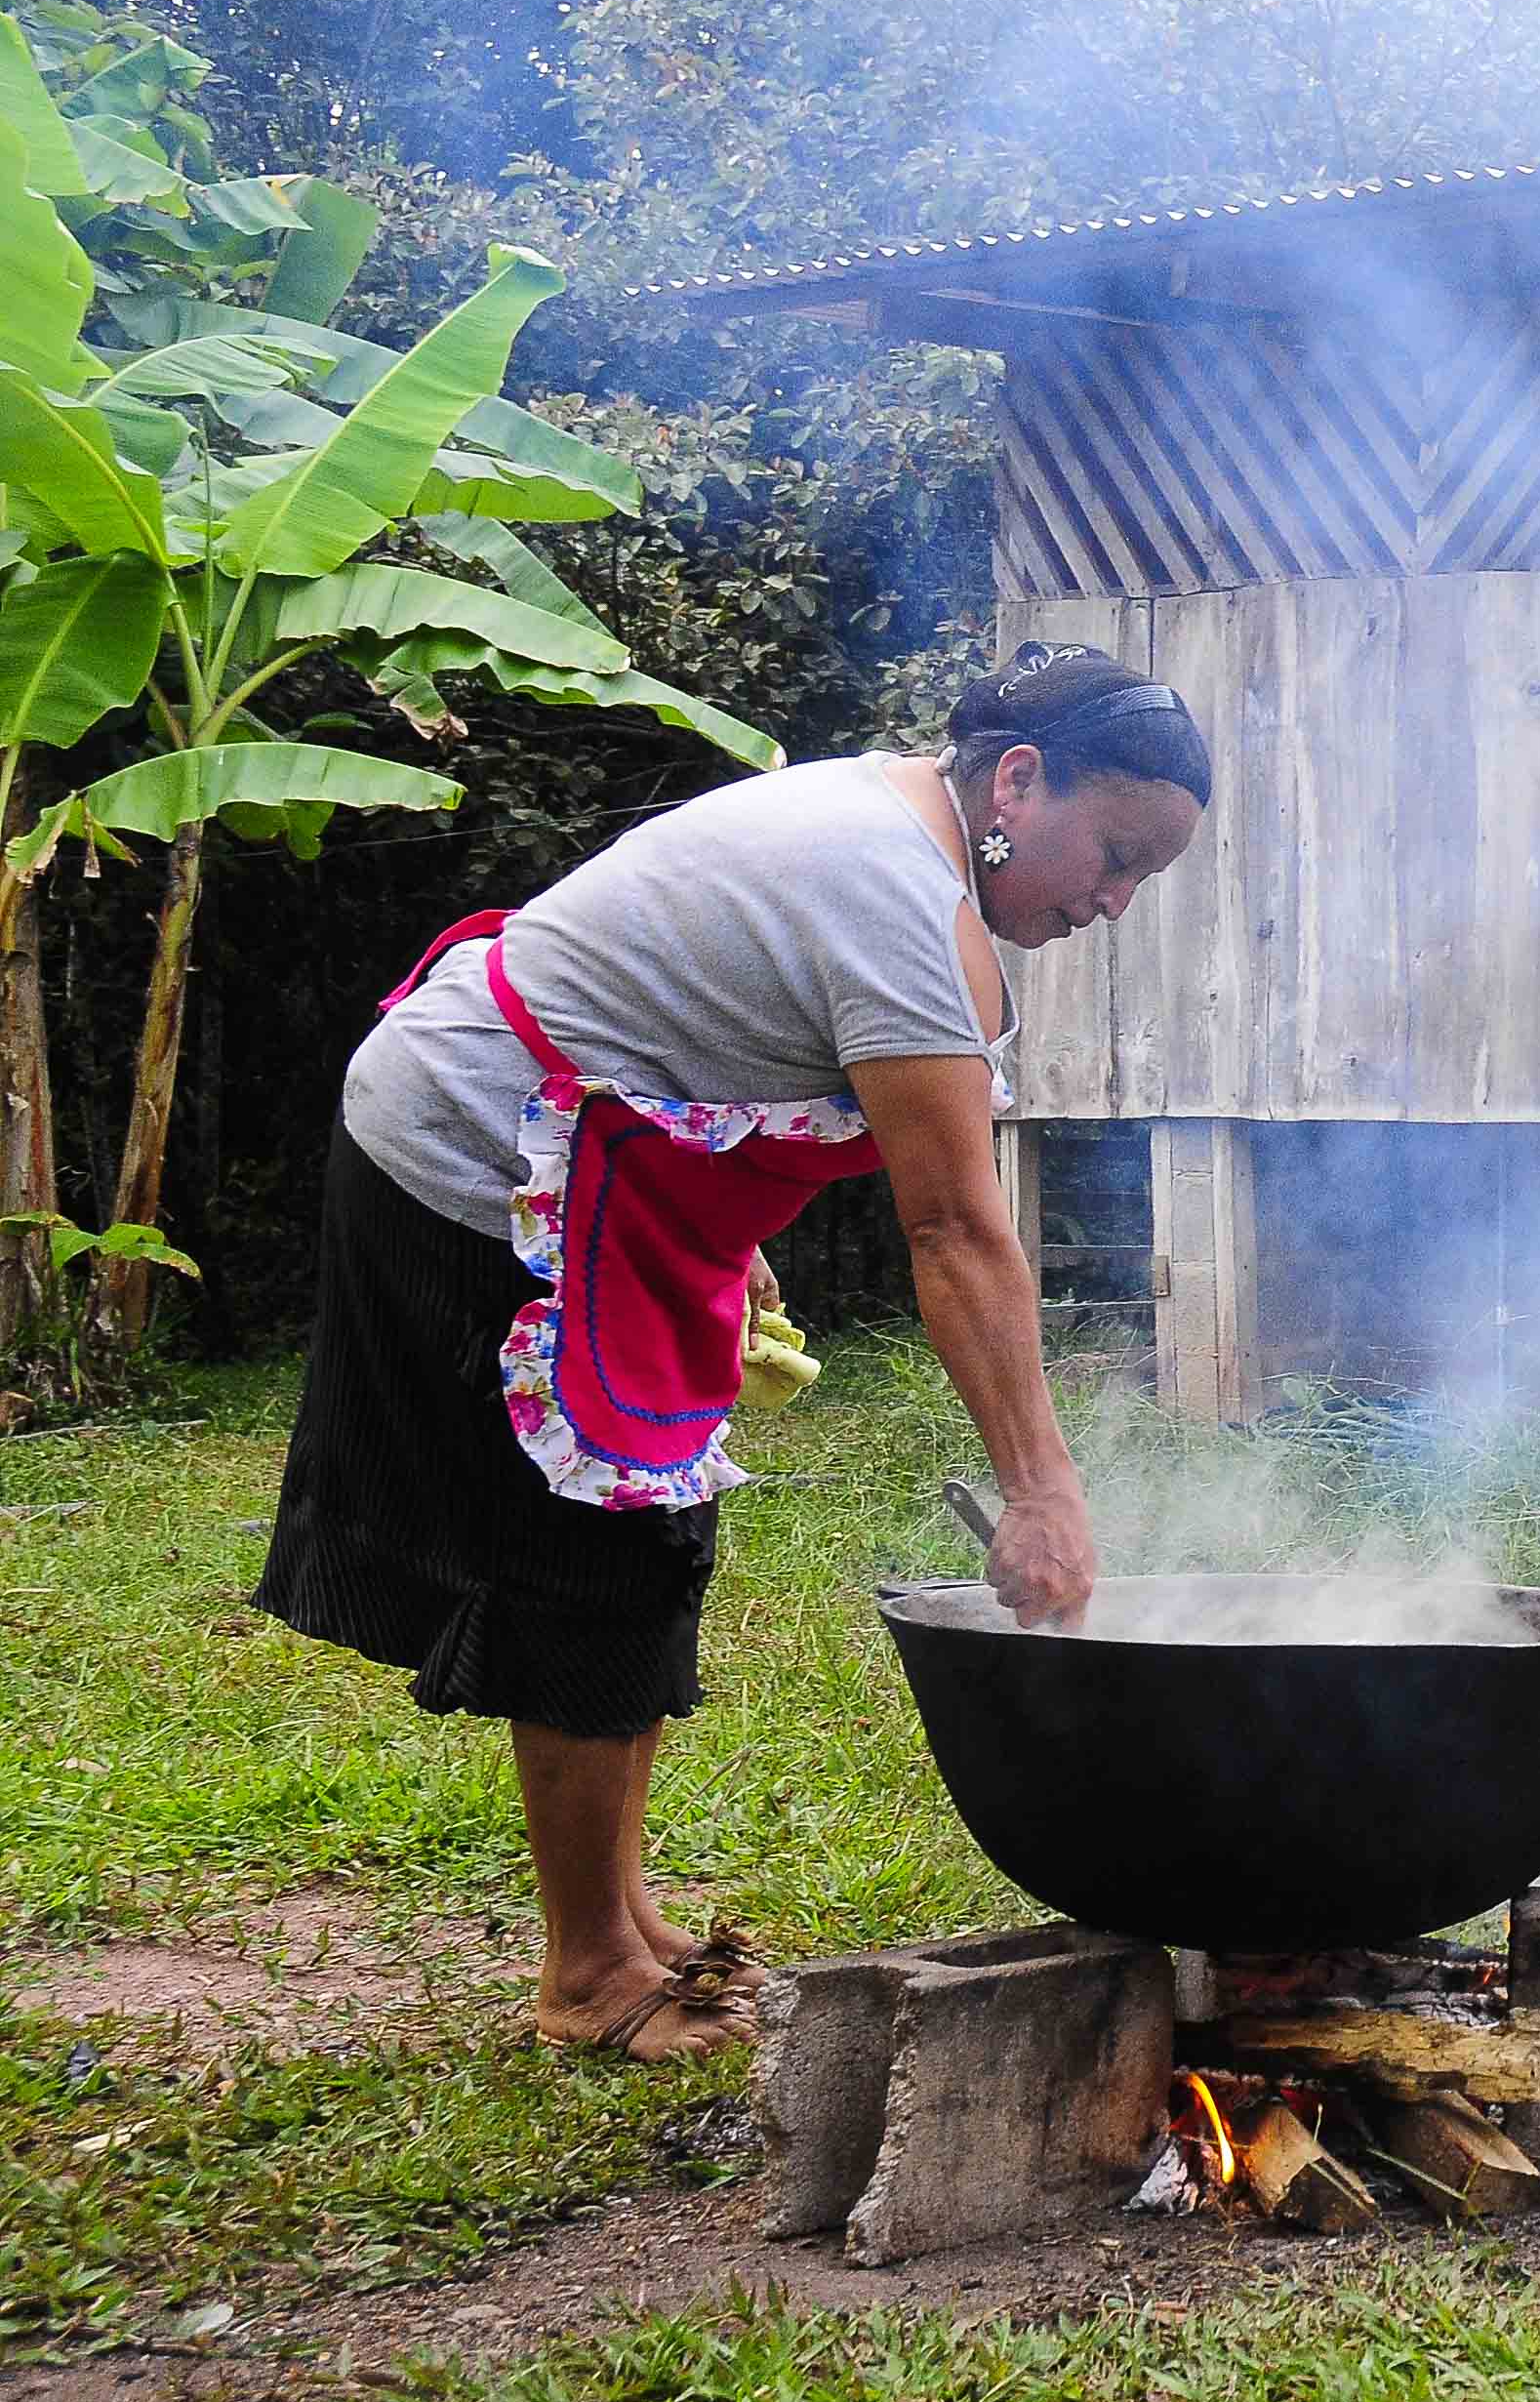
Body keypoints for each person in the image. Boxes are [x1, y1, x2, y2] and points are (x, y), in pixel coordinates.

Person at [254, 646, 1209, 2062]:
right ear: (1019, 778)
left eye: (1141, 881)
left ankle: (628, 1923)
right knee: (595, 1557)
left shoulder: (903, 839)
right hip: (480, 1150)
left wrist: (711, 1217)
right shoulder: (886, 888)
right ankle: (589, 1977)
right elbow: (953, 1227)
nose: (1111, 901)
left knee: (652, 1535)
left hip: (600, 1167)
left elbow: (688, 1013)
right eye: (1114, 854)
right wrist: (1045, 1490)